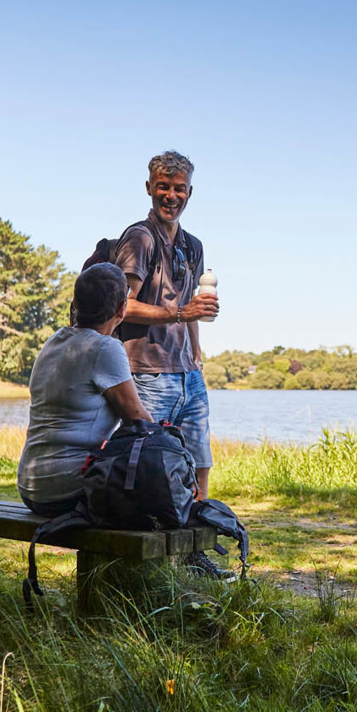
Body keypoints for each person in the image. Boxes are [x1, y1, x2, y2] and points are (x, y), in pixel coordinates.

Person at [111, 150, 220, 499]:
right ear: (148, 188)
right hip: (147, 374)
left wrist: (197, 356)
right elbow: (121, 306)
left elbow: (190, 307)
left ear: (190, 192)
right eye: (163, 187)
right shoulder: (139, 238)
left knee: (198, 461)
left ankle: (197, 538)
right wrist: (182, 313)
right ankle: (147, 544)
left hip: (189, 374)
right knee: (148, 466)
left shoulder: (194, 246)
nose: (171, 196)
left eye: (179, 188)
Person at [16, 263, 148, 515]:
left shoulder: (54, 341)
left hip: (30, 486)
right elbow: (139, 419)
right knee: (161, 488)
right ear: (122, 309)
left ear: (75, 304)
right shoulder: (105, 348)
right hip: (67, 490)